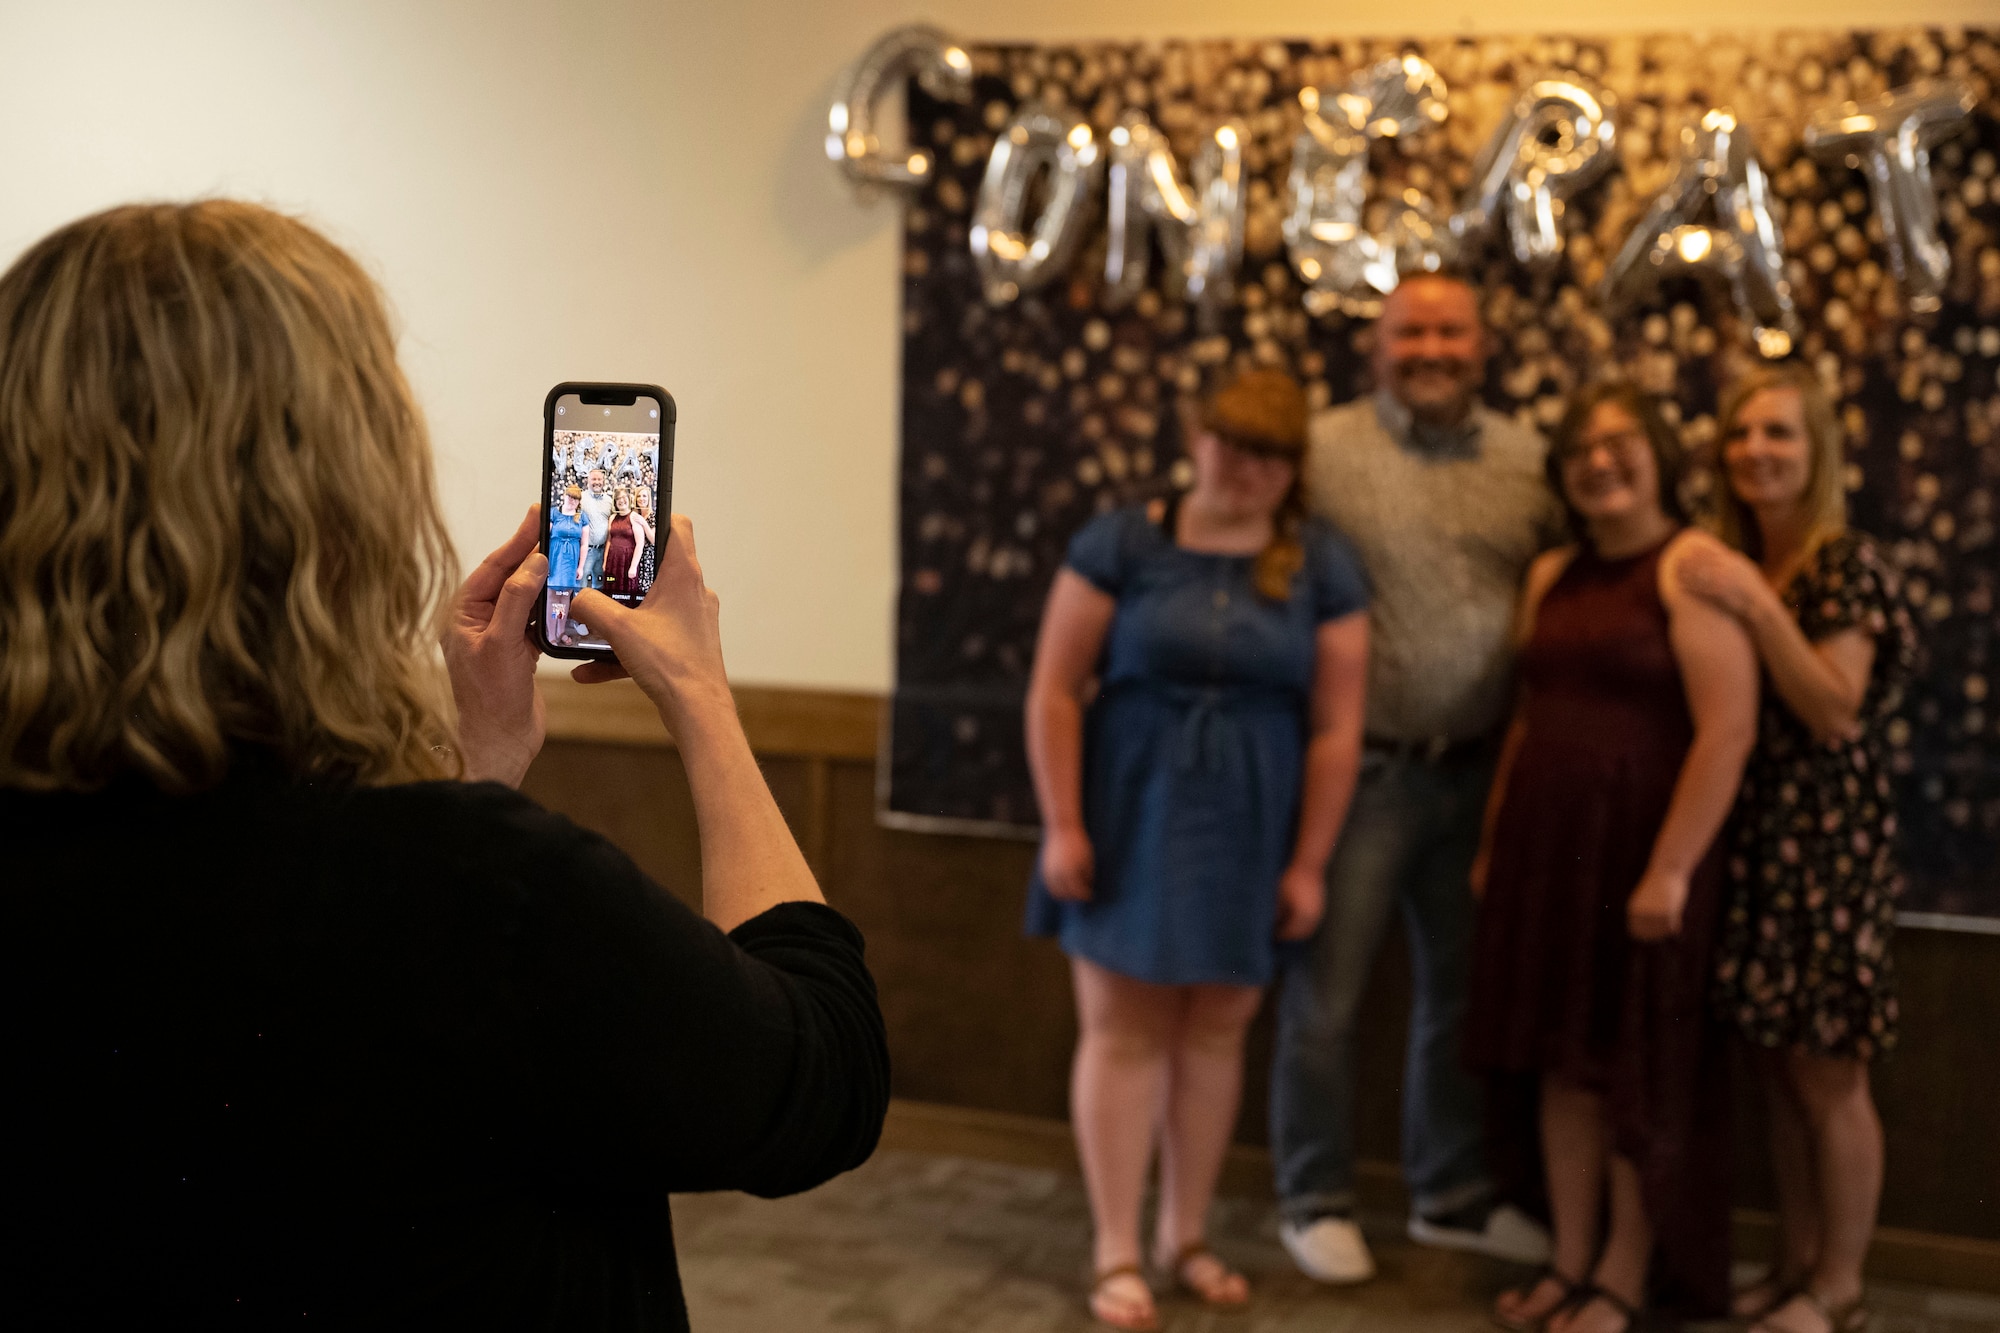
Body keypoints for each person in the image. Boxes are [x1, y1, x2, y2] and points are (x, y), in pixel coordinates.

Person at [0, 200, 889, 1331]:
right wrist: (701, 700)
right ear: (342, 489)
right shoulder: (475, 893)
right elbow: (820, 1078)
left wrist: (475, 770)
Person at [1023, 369, 1370, 1330]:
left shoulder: (1323, 563)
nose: (1245, 468)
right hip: (1127, 807)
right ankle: (1116, 1248)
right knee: (1124, 1030)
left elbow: (1340, 726)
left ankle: (1186, 1236)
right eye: (1230, 442)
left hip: (1256, 817)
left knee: (1218, 1029)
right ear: (1194, 434)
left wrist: (1308, 861)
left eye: (1270, 454)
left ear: (1294, 466)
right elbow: (1054, 688)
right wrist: (1062, 823)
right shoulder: (1123, 539)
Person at [1271, 271, 1565, 1282]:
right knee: (1325, 999)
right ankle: (1310, 1194)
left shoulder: (1533, 460)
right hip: (1361, 772)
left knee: (1457, 999)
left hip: (1483, 777)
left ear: (1481, 345)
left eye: (1449, 330)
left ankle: (1448, 1192)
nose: (1429, 347)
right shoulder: (1321, 448)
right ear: (1376, 344)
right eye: (1409, 331)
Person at [1465, 384, 1758, 1333]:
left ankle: (1625, 1280)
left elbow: (1727, 732)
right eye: (1581, 451)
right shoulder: (1553, 573)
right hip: (1548, 860)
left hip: (1643, 862)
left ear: (1663, 455)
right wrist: (1493, 838)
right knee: (1561, 1067)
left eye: (1620, 443)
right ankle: (1570, 1258)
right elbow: (1527, 717)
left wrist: (1670, 868)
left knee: (1629, 1067)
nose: (1600, 462)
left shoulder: (1692, 566)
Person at [1683, 367, 1918, 1333]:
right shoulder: (1753, 563)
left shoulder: (1842, 565)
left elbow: (1831, 707)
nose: (1756, 452)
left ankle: (1841, 1286)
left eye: (1778, 434)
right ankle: (1794, 1264)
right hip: (1759, 843)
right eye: (1741, 435)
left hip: (1827, 847)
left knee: (1830, 1075)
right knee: (1778, 1069)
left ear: (1817, 451)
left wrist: (1752, 600)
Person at [578, 465, 613, 587]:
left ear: (603, 481)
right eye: (594, 479)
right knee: (581, 584)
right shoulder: (581, 498)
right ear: (588, 480)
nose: (597, 482)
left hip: (603, 550)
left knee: (599, 585)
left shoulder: (609, 501)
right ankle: (579, 606)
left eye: (599, 479)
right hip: (587, 550)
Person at [604, 485, 643, 596]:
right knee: (611, 589)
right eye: (618, 499)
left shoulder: (634, 517)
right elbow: (609, 540)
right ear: (615, 502)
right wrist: (605, 561)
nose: (621, 500)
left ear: (629, 498)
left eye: (623, 497)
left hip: (628, 561)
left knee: (626, 593)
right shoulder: (612, 518)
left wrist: (634, 566)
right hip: (613, 561)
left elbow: (640, 544)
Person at [548, 484, 588, 589]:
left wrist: (580, 567)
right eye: (570, 496)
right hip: (554, 556)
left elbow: (584, 544)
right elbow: (545, 538)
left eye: (575, 498)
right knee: (552, 588)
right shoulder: (553, 513)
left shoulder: (583, 517)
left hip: (573, 558)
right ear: (564, 496)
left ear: (579, 501)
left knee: (569, 590)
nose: (572, 500)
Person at [634, 488, 660, 590]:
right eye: (639, 496)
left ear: (649, 498)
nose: (641, 499)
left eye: (644, 496)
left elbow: (653, 540)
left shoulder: (653, 516)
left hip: (647, 558)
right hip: (637, 556)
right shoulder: (635, 515)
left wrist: (644, 523)